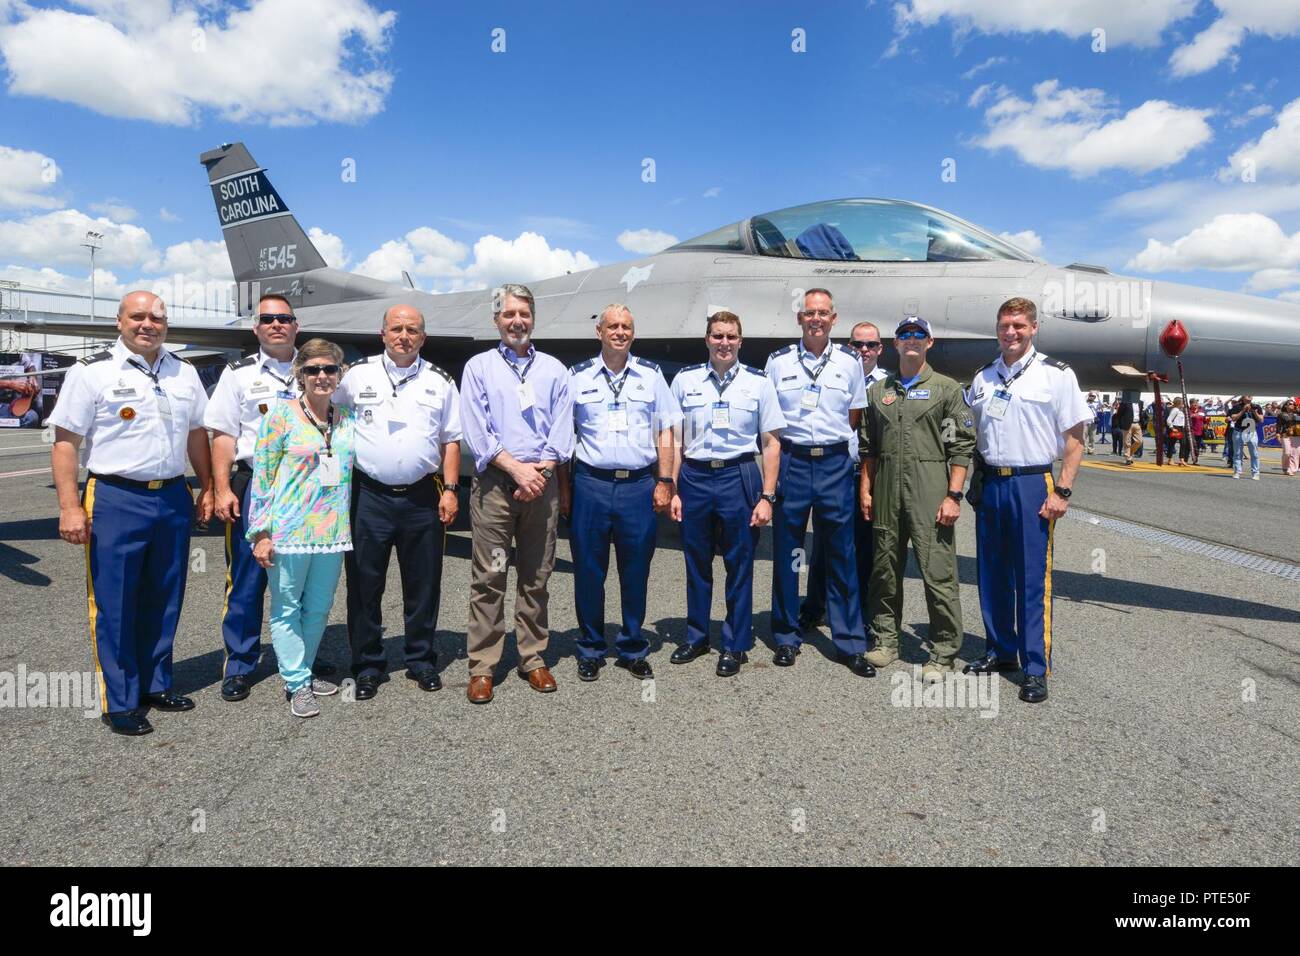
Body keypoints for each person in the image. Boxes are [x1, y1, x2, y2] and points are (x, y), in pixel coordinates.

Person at [48, 291, 214, 736]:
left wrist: (209, 487)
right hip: (116, 497)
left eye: (156, 317)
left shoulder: (185, 371)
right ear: (119, 321)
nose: (148, 324)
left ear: (166, 324)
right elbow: (66, 443)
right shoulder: (92, 372)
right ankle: (119, 699)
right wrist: (68, 507)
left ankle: (156, 684)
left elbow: (198, 433)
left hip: (172, 496)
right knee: (116, 602)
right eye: (137, 316)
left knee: (165, 595)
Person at [205, 295, 337, 703]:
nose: (276, 325)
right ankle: (241, 664)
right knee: (246, 581)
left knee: (299, 584)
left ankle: (300, 662)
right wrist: (222, 488)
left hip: (312, 491)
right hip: (254, 486)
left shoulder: (317, 367)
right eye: (268, 319)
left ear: (296, 325)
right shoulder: (238, 375)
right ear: (256, 328)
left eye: (284, 318)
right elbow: (223, 435)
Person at [963, 297, 1090, 703]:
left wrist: (1063, 491)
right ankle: (1001, 650)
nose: (1010, 332)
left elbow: (1074, 439)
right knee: (992, 574)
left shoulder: (1056, 375)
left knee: (1032, 579)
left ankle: (1035, 666)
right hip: (993, 484)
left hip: (1033, 483)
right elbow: (972, 436)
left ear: (1033, 328)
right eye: (1004, 325)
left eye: (1018, 325)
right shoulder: (983, 377)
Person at [334, 304, 462, 699]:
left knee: (423, 582)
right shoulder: (357, 376)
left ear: (423, 338)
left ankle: (421, 659)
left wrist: (452, 489)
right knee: (364, 584)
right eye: (397, 329)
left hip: (423, 495)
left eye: (412, 330)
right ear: (383, 333)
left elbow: (451, 439)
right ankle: (368, 663)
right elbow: (332, 421)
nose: (404, 336)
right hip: (368, 495)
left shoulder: (440, 381)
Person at [460, 284, 574, 704]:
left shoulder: (554, 370)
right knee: (490, 576)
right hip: (495, 488)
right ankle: (483, 666)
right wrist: (515, 469)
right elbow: (477, 430)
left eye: (523, 314)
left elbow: (562, 431)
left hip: (539, 489)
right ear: (496, 321)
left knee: (536, 575)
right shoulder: (479, 368)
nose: (517, 321)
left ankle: (532, 658)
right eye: (508, 314)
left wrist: (538, 472)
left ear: (533, 318)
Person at [561, 304, 681, 681]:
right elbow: (565, 439)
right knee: (588, 571)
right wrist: (565, 492)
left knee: (635, 570)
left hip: (638, 486)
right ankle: (591, 647)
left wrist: (665, 481)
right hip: (591, 484)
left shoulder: (651, 375)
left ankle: (632, 646)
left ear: (633, 332)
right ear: (599, 332)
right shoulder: (576, 377)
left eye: (626, 326)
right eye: (612, 326)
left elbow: (667, 431)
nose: (620, 332)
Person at [859, 316, 974, 681]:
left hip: (930, 487)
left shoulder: (946, 389)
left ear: (929, 342)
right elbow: (869, 447)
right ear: (895, 344)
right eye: (905, 334)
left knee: (937, 572)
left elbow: (961, 446)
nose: (912, 339)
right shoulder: (880, 391)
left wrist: (953, 495)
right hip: (887, 486)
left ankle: (942, 652)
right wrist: (866, 488)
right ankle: (886, 641)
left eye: (918, 334)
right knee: (884, 570)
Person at [669, 310, 784, 677]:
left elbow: (770, 442)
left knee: (739, 564)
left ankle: (735, 644)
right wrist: (671, 486)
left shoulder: (758, 383)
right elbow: (672, 438)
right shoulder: (685, 381)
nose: (724, 343)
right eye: (717, 336)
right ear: (707, 339)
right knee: (696, 563)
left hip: (739, 475)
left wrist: (767, 497)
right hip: (695, 477)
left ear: (740, 341)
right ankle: (698, 636)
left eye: (731, 336)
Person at [246, 339, 354, 718]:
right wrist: (260, 532)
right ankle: (296, 682)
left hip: (332, 530)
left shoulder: (346, 418)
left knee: (320, 607)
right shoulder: (279, 416)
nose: (322, 376)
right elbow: (263, 476)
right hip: (289, 529)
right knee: (287, 607)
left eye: (329, 369)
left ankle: (303, 671)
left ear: (340, 375)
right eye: (313, 370)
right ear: (300, 375)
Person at [764, 290, 870, 673]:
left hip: (833, 464)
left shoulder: (849, 362)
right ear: (799, 319)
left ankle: (849, 642)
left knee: (841, 553)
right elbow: (771, 421)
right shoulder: (778, 362)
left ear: (833, 318)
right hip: (793, 462)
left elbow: (854, 413)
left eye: (823, 313)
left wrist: (829, 447)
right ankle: (787, 635)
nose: (816, 319)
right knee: (790, 554)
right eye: (809, 313)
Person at [800, 320, 889, 640]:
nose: (864, 350)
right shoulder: (831, 375)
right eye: (857, 344)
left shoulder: (887, 385)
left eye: (871, 345)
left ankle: (860, 613)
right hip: (834, 472)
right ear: (848, 346)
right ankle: (813, 607)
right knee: (824, 543)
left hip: (867, 475)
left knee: (864, 547)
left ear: (880, 349)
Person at [1227, 394, 1263, 480]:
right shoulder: (1237, 407)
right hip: (1239, 431)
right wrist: (1243, 411)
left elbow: (1261, 420)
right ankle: (1237, 471)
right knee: (1238, 453)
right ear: (1243, 398)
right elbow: (1233, 418)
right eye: (1247, 395)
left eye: (1251, 395)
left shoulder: (1256, 406)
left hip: (1251, 432)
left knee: (1254, 453)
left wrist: (1254, 411)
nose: (1249, 396)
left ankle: (1255, 473)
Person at [1277, 398, 1300, 476]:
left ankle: (1291, 469)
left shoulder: (1297, 413)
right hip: (1285, 434)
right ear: (1286, 406)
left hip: (1296, 435)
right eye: (1290, 404)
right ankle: (1285, 467)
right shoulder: (1281, 414)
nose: (1292, 405)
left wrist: (1297, 410)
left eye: (1293, 404)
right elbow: (1278, 425)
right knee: (1287, 452)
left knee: (1296, 453)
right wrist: (1277, 433)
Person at [1165, 397, 1190, 465]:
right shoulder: (1175, 410)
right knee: (1175, 443)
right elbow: (1169, 419)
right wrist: (1172, 428)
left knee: (1181, 443)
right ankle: (1172, 459)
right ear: (1179, 403)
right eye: (1182, 403)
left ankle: (1180, 459)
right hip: (1176, 428)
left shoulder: (1180, 410)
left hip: (1181, 428)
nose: (1183, 404)